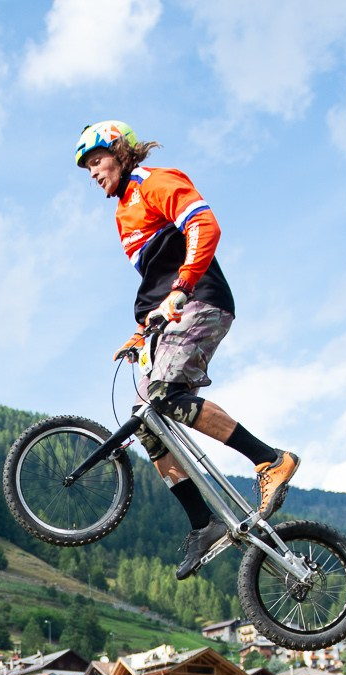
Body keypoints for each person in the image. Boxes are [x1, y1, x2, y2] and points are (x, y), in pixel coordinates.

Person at [76, 121, 298, 579]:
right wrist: (143, 332)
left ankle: (270, 460)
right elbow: (156, 278)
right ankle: (204, 524)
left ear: (120, 151)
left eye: (97, 160)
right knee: (147, 421)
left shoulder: (154, 182)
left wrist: (181, 288)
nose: (93, 172)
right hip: (172, 316)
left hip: (201, 301)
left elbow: (203, 225)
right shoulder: (123, 213)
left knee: (165, 398)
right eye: (88, 167)